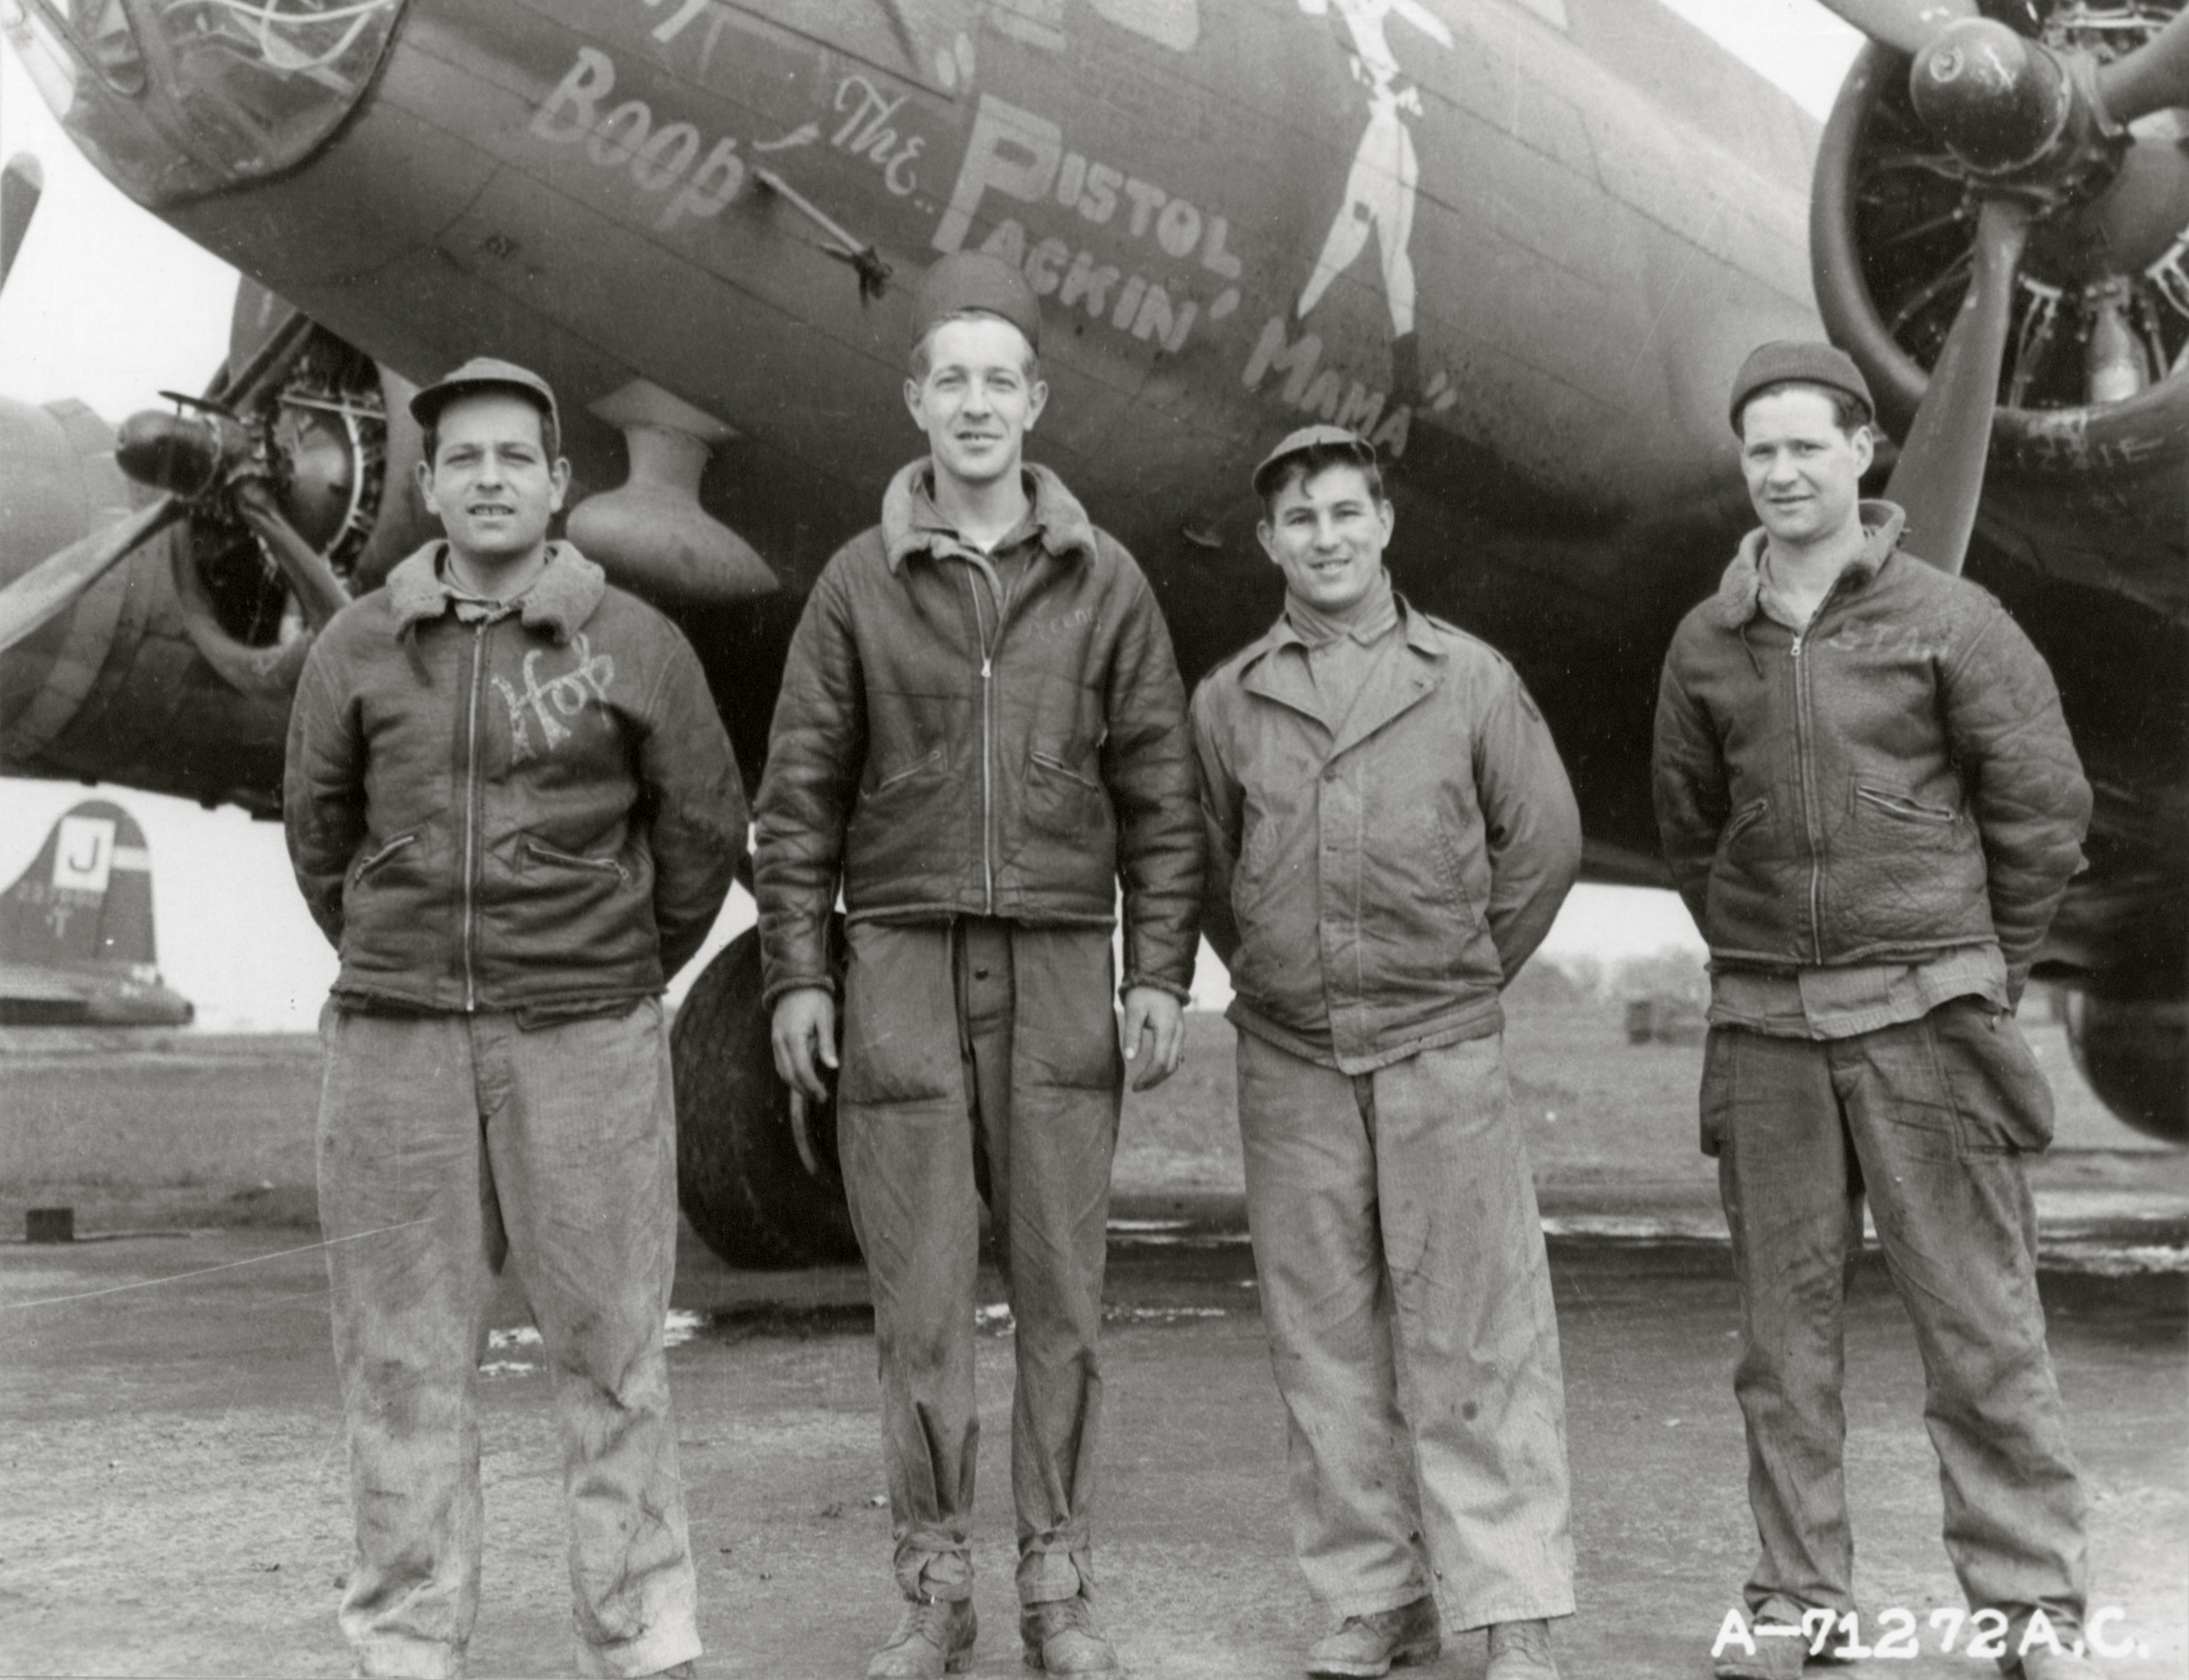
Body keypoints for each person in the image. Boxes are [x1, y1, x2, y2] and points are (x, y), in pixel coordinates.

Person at [754, 252, 1201, 1679]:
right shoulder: (855, 585)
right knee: (923, 1297)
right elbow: (802, 789)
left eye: (1000, 379)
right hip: (896, 959)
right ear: (915, 402)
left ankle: (1058, 1589)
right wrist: (797, 972)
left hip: (1070, 959)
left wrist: (1162, 971)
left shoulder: (1108, 581)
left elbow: (1161, 790)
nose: (975, 403)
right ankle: (935, 1587)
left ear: (1036, 403)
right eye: (950, 378)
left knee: (1065, 1293)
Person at [285, 357, 744, 1680]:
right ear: (429, 487)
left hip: (585, 1041)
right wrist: (402, 943)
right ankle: (406, 1640)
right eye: (464, 459)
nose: (490, 479)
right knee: (400, 1359)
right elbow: (320, 833)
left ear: (559, 483)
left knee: (611, 1351)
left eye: (514, 459)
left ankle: (645, 1634)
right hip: (396, 1045)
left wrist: (603, 957)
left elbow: (701, 825)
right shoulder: (357, 647)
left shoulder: (637, 645)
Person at [1652, 342, 2099, 1680]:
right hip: (1772, 1035)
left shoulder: (1951, 621)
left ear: (1862, 452)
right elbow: (1691, 828)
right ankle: (1799, 1605)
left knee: (1982, 1329)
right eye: (1760, 450)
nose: (1782, 471)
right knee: (1782, 1348)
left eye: (1806, 445)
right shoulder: (1706, 642)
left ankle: (2033, 1612)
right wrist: (1765, 951)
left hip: (1930, 1022)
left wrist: (1980, 966)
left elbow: (2045, 810)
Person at [1190, 424, 1580, 1680]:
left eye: (1348, 513)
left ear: (1385, 526)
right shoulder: (1231, 699)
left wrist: (1458, 977)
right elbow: (1207, 869)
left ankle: (1511, 1607)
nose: (1328, 538)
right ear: (1270, 543)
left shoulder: (1466, 677)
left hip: (1440, 1052)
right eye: (1301, 521)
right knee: (1325, 1338)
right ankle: (1374, 1597)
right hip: (1291, 1057)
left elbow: (1545, 843)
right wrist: (1281, 973)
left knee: (1479, 1331)